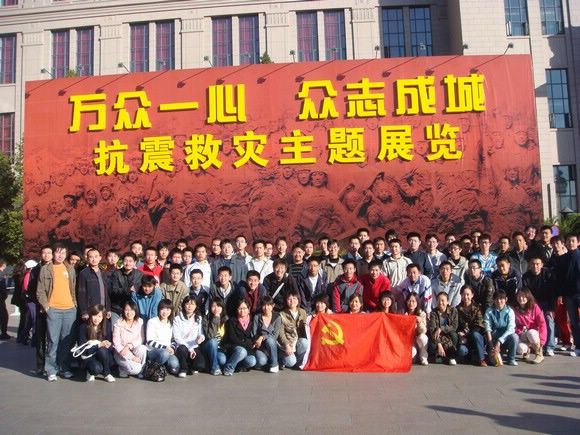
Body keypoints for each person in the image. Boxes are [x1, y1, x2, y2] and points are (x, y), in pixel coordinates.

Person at [36, 243, 77, 381]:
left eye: (63, 253)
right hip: (53, 309)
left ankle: (63, 368)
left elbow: (73, 288)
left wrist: (74, 305)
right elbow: (40, 291)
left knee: (66, 341)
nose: (60, 255)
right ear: (53, 254)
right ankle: (51, 370)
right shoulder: (45, 269)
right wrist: (47, 307)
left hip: (70, 309)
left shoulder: (70, 268)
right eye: (58, 253)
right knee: (53, 341)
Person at [522, 256, 556, 356]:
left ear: (542, 265)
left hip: (546, 303)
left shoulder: (548, 274)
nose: (535, 266)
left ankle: (549, 347)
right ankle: (534, 346)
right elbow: (526, 293)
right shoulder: (526, 276)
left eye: (537, 264)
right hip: (533, 304)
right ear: (529, 265)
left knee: (549, 320)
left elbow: (552, 292)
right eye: (533, 264)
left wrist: (551, 308)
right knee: (530, 323)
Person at [28, 245, 52, 375]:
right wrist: (41, 304)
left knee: (53, 338)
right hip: (41, 309)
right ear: (40, 255)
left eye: (49, 252)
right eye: (44, 253)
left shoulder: (56, 268)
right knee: (41, 337)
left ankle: (52, 363)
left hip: (55, 307)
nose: (46, 255)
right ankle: (40, 364)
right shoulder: (36, 269)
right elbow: (32, 289)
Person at [78, 304, 115, 382]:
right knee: (96, 369)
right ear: (90, 315)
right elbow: (83, 350)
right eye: (94, 315)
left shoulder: (107, 325)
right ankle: (90, 371)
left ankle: (106, 373)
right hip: (89, 356)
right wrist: (98, 345)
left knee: (104, 351)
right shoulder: (84, 327)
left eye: (100, 316)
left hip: (103, 355)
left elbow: (111, 346)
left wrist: (108, 344)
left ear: (103, 317)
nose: (97, 319)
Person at [172, 296, 206, 377]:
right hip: (181, 346)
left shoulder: (198, 318)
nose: (190, 306)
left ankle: (189, 365)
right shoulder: (177, 319)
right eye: (187, 304)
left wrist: (201, 338)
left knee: (200, 365)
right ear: (184, 305)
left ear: (196, 306)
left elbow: (201, 333)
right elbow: (177, 337)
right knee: (182, 349)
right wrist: (190, 349)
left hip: (194, 346)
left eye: (192, 304)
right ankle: (183, 369)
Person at [222, 298, 257, 376]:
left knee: (252, 361)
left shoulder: (252, 321)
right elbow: (232, 338)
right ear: (237, 309)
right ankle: (228, 368)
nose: (242, 311)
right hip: (234, 347)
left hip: (247, 349)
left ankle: (237, 365)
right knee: (241, 351)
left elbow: (254, 336)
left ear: (249, 309)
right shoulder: (231, 321)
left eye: (244, 308)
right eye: (240, 308)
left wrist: (251, 342)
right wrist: (247, 343)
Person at [112, 300, 147, 377]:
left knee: (143, 348)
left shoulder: (140, 321)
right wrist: (132, 357)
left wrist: (129, 346)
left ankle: (142, 371)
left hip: (133, 348)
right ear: (123, 311)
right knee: (135, 369)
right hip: (121, 353)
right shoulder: (118, 323)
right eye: (126, 310)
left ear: (135, 311)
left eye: (131, 310)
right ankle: (120, 369)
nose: (129, 312)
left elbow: (141, 338)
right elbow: (116, 344)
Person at [484, 290, 519, 366]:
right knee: (493, 362)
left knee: (515, 337)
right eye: (496, 299)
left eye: (501, 299)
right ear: (493, 300)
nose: (499, 301)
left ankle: (511, 359)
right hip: (493, 340)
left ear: (506, 299)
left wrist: (500, 341)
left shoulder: (510, 311)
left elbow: (511, 329)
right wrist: (491, 346)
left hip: (505, 339)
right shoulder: (489, 311)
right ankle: (495, 354)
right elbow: (487, 329)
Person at [146, 299, 180, 376]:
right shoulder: (152, 321)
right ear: (159, 309)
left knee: (175, 367)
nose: (165, 312)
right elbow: (149, 341)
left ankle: (162, 367)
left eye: (168, 309)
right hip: (153, 350)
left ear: (171, 311)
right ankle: (153, 368)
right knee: (164, 354)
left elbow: (173, 339)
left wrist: (172, 348)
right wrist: (165, 347)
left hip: (168, 350)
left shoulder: (171, 323)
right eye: (162, 309)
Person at [77, 248, 111, 323]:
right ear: (87, 259)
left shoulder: (103, 273)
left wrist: (108, 309)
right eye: (91, 257)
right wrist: (84, 311)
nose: (94, 259)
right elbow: (81, 294)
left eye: (96, 256)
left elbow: (106, 293)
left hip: (103, 309)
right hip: (91, 310)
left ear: (100, 258)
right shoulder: (84, 273)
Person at [514, 288, 547, 364]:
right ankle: (527, 351)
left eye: (523, 296)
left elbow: (542, 324)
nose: (521, 298)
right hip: (522, 334)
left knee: (531, 333)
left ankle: (539, 354)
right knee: (520, 349)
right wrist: (519, 332)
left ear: (528, 297)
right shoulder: (515, 309)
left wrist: (542, 341)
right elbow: (515, 326)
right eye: (519, 296)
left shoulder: (535, 307)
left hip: (534, 334)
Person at [110, 252, 144, 326]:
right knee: (116, 329)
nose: (128, 263)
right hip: (117, 308)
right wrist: (129, 290)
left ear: (135, 262)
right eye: (125, 261)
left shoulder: (140, 275)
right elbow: (114, 291)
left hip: (133, 309)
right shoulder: (116, 274)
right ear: (122, 261)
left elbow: (141, 291)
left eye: (130, 261)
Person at [456, 286, 486, 366]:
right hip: (464, 340)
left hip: (475, 337)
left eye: (468, 294)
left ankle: (482, 359)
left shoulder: (478, 307)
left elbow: (479, 325)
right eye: (463, 294)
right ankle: (470, 356)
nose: (466, 297)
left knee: (475, 334)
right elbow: (456, 325)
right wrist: (459, 333)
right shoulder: (457, 309)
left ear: (472, 295)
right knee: (462, 351)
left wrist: (466, 335)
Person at [278, 291, 308, 369]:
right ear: (286, 300)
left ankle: (297, 362)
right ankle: (282, 357)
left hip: (297, 341)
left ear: (298, 300)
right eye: (289, 299)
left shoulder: (303, 312)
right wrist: (287, 345)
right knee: (290, 363)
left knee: (305, 342)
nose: (292, 301)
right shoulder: (282, 314)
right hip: (287, 342)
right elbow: (281, 332)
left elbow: (306, 329)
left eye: (294, 298)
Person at [428, 292, 459, 365]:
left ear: (447, 302)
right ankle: (439, 355)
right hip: (438, 336)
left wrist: (441, 328)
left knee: (454, 335)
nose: (440, 303)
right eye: (438, 300)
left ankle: (451, 356)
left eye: (443, 300)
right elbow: (432, 329)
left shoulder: (453, 311)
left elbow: (454, 326)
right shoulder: (433, 313)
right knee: (432, 345)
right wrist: (439, 344)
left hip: (449, 334)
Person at [252, 296, 281, 373]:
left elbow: (275, 335)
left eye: (268, 305)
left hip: (272, 345)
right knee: (262, 361)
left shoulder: (277, 317)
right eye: (264, 305)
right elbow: (254, 333)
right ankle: (267, 362)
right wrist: (258, 339)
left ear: (273, 306)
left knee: (270, 340)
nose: (266, 308)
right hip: (260, 346)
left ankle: (274, 365)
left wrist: (262, 337)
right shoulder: (257, 317)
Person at [201, 300, 228, 376]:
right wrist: (216, 319)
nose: (216, 308)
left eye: (218, 306)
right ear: (210, 307)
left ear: (222, 307)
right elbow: (210, 336)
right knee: (213, 341)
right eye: (213, 306)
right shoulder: (206, 318)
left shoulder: (226, 319)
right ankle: (215, 368)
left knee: (222, 360)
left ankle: (212, 364)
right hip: (207, 346)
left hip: (220, 348)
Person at [405, 293, 428, 365]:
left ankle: (423, 357)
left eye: (413, 301)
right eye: (409, 301)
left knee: (423, 337)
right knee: (412, 356)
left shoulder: (422, 314)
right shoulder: (404, 313)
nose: (411, 303)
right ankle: (416, 355)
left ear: (417, 302)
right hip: (410, 341)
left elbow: (423, 330)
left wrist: (420, 322)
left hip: (419, 339)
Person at [0, 259, 10, 339]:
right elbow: (3, 287)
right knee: (4, 316)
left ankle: (3, 333)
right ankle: (3, 333)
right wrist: (4, 295)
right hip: (1, 298)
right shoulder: (1, 274)